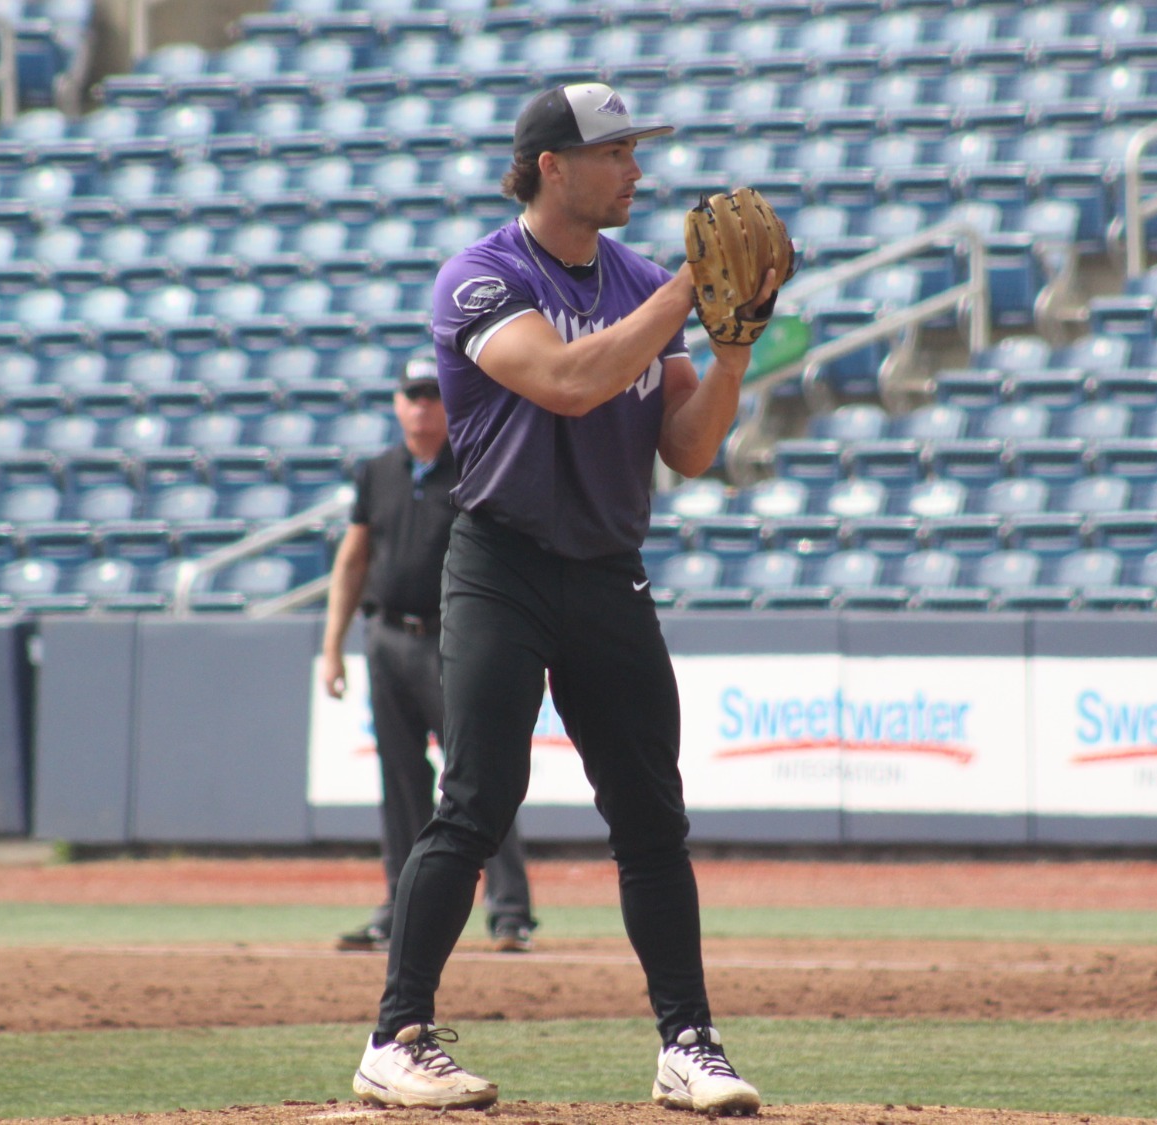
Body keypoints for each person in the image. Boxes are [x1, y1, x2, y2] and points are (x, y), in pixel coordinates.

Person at [349, 83, 776, 1116]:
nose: (636, 168)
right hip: (499, 564)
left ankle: (688, 1045)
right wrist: (685, 292)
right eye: (616, 151)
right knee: (476, 803)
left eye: (634, 149)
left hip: (605, 571)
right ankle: (395, 1037)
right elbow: (571, 381)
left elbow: (687, 446)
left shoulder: (633, 274)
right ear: (552, 164)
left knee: (649, 819)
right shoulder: (480, 278)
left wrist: (732, 347)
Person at [320, 362, 538, 956]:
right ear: (396, 403)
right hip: (387, 636)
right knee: (399, 780)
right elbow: (353, 559)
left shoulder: (473, 464)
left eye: (432, 395)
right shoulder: (378, 472)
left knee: (478, 776)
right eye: (412, 395)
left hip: (453, 641)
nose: (422, 406)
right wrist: (332, 647)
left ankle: (510, 910)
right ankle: (400, 904)